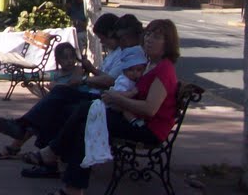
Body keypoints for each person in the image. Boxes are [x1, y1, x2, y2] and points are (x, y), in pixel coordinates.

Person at [22, 20, 180, 193]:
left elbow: (150, 109)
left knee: (86, 115)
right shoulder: (149, 64)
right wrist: (116, 98)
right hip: (132, 118)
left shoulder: (164, 70)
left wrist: (116, 99)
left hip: (147, 130)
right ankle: (67, 180)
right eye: (148, 34)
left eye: (156, 37)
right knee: (82, 114)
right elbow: (134, 92)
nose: (149, 39)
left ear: (168, 43)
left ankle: (53, 155)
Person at [0, 12, 141, 159]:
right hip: (99, 95)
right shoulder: (116, 53)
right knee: (54, 101)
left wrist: (84, 79)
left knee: (58, 99)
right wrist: (90, 71)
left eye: (104, 38)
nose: (102, 42)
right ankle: (25, 141)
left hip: (106, 99)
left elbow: (111, 82)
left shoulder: (128, 55)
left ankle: (29, 142)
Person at [80, 45, 148, 168]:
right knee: (124, 109)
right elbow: (117, 95)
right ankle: (134, 121)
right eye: (131, 70)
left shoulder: (135, 80)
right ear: (125, 70)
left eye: (139, 70)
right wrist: (130, 93)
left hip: (121, 104)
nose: (135, 73)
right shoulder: (124, 80)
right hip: (112, 105)